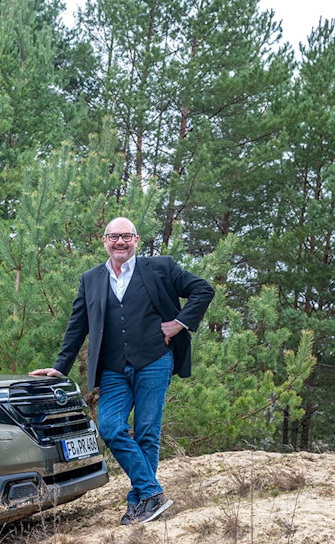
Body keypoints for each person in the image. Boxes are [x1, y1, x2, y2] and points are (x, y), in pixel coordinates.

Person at [31, 217, 214, 524]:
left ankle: (139, 502)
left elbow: (203, 290)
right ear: (104, 241)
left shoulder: (160, 268)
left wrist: (179, 323)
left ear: (136, 240)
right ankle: (152, 493)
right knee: (110, 427)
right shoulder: (91, 279)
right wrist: (60, 367)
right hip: (113, 369)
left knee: (146, 432)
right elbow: (78, 325)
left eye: (126, 237)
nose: (120, 242)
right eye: (114, 237)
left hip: (154, 361)